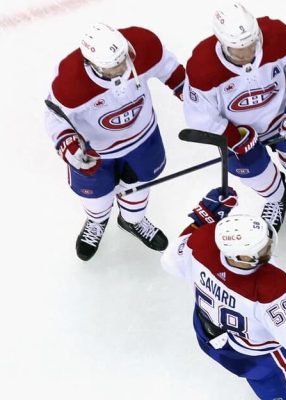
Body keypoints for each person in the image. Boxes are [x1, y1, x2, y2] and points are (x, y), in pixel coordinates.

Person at [161, 187, 286, 400]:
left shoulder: (203, 240)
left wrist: (201, 221)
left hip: (208, 334)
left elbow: (170, 262)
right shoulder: (270, 285)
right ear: (243, 258)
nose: (269, 245)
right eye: (262, 247)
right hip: (257, 358)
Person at [182, 3, 286, 233]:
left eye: (251, 44)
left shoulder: (277, 34)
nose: (247, 54)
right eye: (238, 50)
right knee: (254, 170)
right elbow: (200, 118)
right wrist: (236, 140)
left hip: (281, 115)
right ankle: (277, 197)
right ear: (222, 43)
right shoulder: (202, 67)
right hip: (240, 133)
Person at [44, 23, 186, 261]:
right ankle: (97, 221)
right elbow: (54, 117)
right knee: (96, 199)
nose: (121, 68)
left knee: (139, 188)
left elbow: (168, 67)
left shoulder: (142, 45)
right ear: (92, 64)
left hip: (143, 139)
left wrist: (185, 91)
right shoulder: (71, 83)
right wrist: (68, 145)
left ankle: (133, 221)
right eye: (112, 67)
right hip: (96, 151)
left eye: (122, 59)